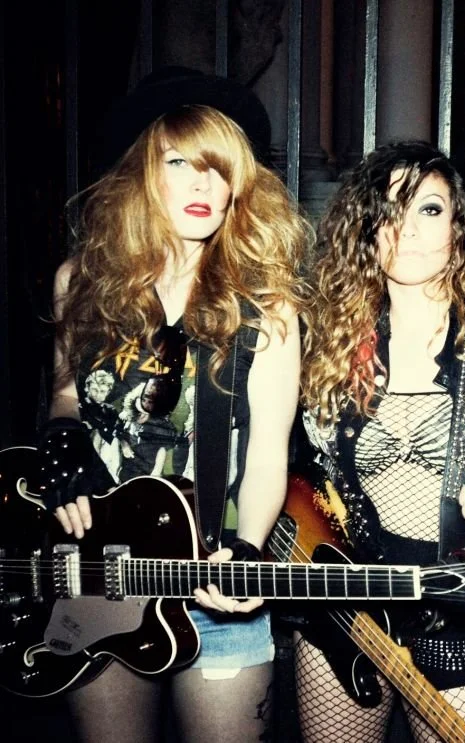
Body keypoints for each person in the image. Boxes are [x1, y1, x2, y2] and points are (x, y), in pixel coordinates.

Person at [39, 67, 309, 742]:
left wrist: (247, 547)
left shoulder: (267, 305)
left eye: (218, 169)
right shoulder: (82, 282)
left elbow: (270, 447)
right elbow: (68, 393)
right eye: (180, 162)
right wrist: (64, 446)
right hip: (97, 569)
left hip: (213, 577)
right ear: (142, 174)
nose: (201, 184)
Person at [294, 140, 465, 742]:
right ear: (365, 228)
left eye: (428, 209)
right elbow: (289, 469)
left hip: (459, 607)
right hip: (348, 606)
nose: (411, 231)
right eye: (390, 211)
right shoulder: (322, 340)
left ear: (458, 224)